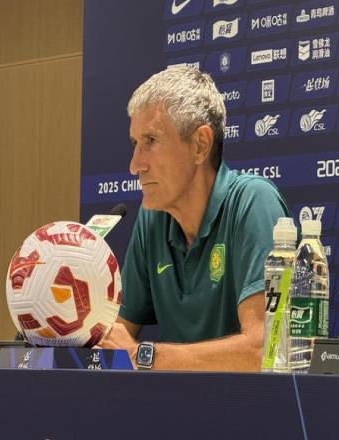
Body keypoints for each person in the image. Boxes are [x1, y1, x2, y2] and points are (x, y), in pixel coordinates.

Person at [98, 66, 289, 371]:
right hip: (175, 400)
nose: (135, 166)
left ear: (200, 145)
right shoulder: (152, 217)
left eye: (150, 141)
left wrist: (142, 356)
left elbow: (264, 349)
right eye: (135, 143)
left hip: (245, 401)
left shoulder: (253, 202)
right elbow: (116, 336)